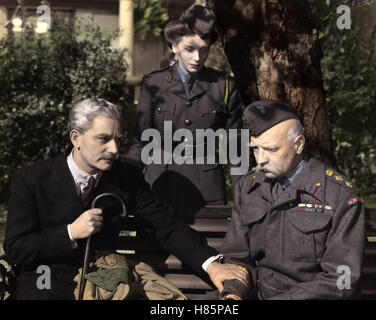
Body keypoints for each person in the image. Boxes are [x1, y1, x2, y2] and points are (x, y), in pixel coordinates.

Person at [3, 97, 247, 300]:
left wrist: (211, 265)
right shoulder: (31, 180)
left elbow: (165, 225)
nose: (114, 149)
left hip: (102, 282)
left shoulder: (125, 177)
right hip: (45, 277)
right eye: (103, 139)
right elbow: (16, 248)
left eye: (117, 139)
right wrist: (69, 232)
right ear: (76, 138)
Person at [219, 100, 366, 300]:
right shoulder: (248, 187)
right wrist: (234, 294)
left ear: (298, 144)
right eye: (255, 149)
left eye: (271, 149)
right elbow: (237, 258)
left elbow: (341, 281)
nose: (261, 160)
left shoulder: (338, 195)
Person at [125, 4, 244, 222]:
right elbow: (139, 142)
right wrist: (124, 184)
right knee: (154, 253)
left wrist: (243, 200)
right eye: (190, 49)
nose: (198, 57)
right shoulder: (154, 84)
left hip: (206, 191)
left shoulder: (223, 86)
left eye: (204, 49)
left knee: (210, 251)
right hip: (160, 184)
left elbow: (237, 150)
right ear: (173, 46)